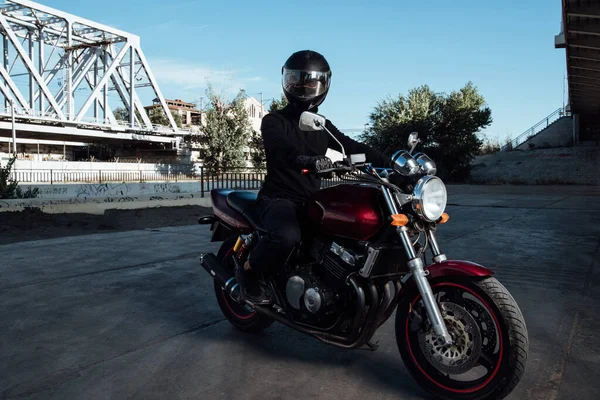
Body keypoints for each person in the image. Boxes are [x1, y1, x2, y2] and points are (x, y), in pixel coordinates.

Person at [235, 50, 404, 303]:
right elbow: (280, 149)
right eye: (297, 79)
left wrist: (391, 164)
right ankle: (249, 273)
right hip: (279, 198)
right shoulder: (274, 120)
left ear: (323, 84)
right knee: (287, 236)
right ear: (287, 81)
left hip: (312, 199)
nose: (303, 86)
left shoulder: (321, 124)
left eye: (310, 81)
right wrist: (307, 160)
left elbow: (349, 145)